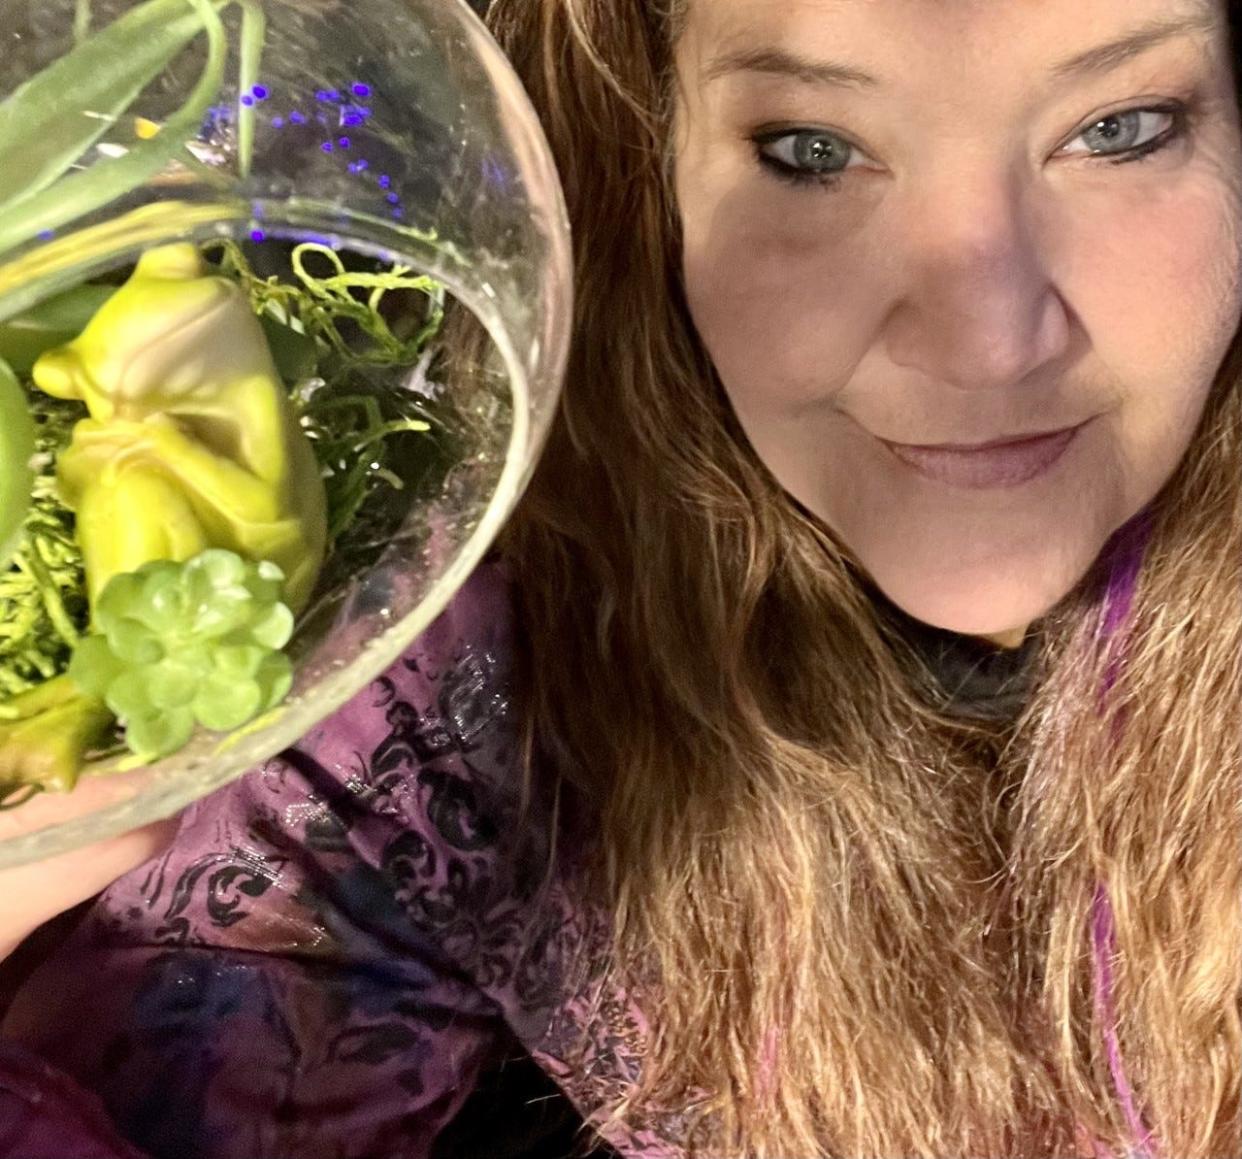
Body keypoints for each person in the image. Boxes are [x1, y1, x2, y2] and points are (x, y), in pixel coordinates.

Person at [2, 0, 1240, 1156]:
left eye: (1119, 131)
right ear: (645, 163)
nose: (985, 342)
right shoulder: (479, 695)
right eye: (811, 149)